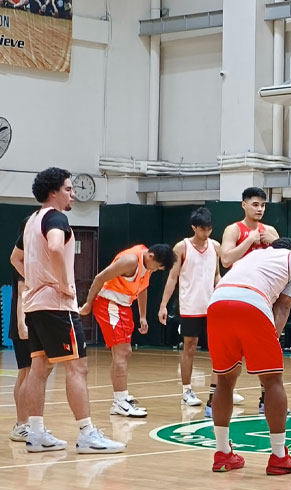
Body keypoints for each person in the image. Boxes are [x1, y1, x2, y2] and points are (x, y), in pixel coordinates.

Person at [11, 167, 124, 453]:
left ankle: (35, 433)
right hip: (57, 306)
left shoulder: (31, 221)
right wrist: (62, 284)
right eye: (68, 189)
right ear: (54, 192)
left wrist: (38, 279)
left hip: (35, 305)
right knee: (78, 367)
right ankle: (87, 433)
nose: (72, 193)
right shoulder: (56, 218)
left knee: (40, 368)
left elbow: (15, 258)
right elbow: (56, 247)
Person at [206, 238, 291, 475]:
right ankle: (279, 456)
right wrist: (273, 339)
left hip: (217, 302)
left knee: (224, 379)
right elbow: (283, 306)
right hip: (251, 302)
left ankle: (222, 454)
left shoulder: (251, 256)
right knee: (272, 380)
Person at [79, 242, 174, 418]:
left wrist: (143, 316)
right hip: (109, 303)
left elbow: (143, 288)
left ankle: (120, 397)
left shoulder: (148, 263)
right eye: (158, 267)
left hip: (123, 305)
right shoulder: (130, 261)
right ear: (151, 257)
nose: (156, 270)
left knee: (124, 353)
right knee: (122, 352)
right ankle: (120, 402)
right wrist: (87, 305)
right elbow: (100, 277)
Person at [220, 187, 280, 414]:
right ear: (244, 205)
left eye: (263, 205)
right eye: (255, 204)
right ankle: (213, 398)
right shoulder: (234, 230)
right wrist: (250, 240)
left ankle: (266, 399)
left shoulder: (270, 230)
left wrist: (276, 241)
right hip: (238, 297)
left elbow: (286, 258)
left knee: (267, 352)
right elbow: (226, 259)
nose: (260, 209)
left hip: (265, 298)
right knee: (230, 352)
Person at [158, 208, 222, 408]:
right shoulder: (182, 247)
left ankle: (221, 389)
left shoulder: (216, 246)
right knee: (189, 348)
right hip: (190, 306)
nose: (206, 233)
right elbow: (172, 277)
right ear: (194, 227)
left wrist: (222, 293)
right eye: (202, 229)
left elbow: (217, 274)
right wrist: (163, 305)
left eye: (209, 228)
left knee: (219, 350)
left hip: (212, 306)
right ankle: (186, 390)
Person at [8, 254, 51, 441]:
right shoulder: (25, 260)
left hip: (32, 323)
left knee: (28, 372)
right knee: (28, 372)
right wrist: (21, 323)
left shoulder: (34, 258)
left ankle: (25, 424)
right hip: (26, 324)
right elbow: (21, 291)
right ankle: (22, 424)